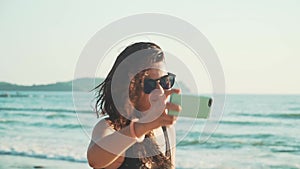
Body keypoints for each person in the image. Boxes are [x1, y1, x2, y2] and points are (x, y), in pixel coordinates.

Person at [87, 42, 181, 169]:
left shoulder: (166, 130)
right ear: (129, 87)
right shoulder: (110, 128)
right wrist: (141, 127)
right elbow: (95, 160)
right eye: (149, 84)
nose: (160, 91)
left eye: (165, 81)